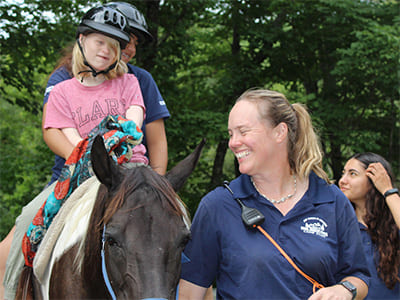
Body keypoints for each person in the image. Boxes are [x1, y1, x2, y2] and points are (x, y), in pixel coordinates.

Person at [1, 5, 147, 299]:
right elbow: (68, 139)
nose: (106, 50)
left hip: (129, 171)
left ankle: (190, 282)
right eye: (99, 41)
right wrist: (91, 161)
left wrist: (117, 145)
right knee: (31, 216)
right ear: (81, 40)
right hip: (81, 173)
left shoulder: (129, 82)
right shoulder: (62, 91)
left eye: (114, 44)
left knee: (169, 219)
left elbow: (134, 123)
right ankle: (16, 286)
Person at [178, 88, 370, 299]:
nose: (233, 142)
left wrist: (344, 290)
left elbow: (358, 277)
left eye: (243, 131)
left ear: (280, 132)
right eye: (231, 134)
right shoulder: (217, 206)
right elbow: (190, 293)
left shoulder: (331, 199)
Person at [43, 1, 170, 184]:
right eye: (127, 40)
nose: (132, 49)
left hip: (131, 171)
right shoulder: (62, 79)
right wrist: (87, 161)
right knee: (30, 214)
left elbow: (157, 141)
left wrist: (158, 184)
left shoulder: (138, 80)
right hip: (75, 171)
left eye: (134, 43)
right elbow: (52, 131)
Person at [339, 152, 400, 299]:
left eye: (352, 174)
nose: (342, 180)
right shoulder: (339, 224)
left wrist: (387, 189)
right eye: (343, 173)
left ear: (374, 180)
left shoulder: (392, 224)